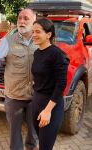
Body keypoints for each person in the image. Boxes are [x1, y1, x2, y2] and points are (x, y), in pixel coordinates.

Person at [0, 9, 37, 150]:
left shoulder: (40, 40)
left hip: (36, 97)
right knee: (15, 135)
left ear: (34, 21)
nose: (21, 21)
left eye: (26, 18)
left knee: (34, 134)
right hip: (14, 96)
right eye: (19, 18)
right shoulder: (8, 41)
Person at [31, 18, 69, 150]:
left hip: (51, 105)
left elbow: (61, 84)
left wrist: (47, 111)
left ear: (48, 34)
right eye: (33, 32)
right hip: (37, 102)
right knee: (42, 142)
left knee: (45, 147)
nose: (34, 35)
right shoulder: (37, 53)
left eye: (38, 32)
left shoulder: (57, 54)